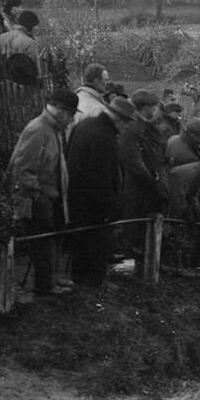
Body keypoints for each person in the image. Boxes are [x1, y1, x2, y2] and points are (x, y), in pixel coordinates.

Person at [7, 88, 79, 296]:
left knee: (53, 237)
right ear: (60, 111)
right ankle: (44, 286)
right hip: (34, 198)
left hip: (49, 196)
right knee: (42, 241)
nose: (71, 119)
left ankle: (51, 278)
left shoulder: (52, 129)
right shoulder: (38, 129)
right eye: (71, 114)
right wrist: (38, 196)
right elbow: (23, 169)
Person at [66, 95, 134, 286]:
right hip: (94, 204)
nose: (126, 127)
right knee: (96, 247)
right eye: (127, 122)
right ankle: (94, 286)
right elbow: (100, 178)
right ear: (120, 120)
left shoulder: (86, 124)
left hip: (76, 197)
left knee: (81, 247)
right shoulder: (105, 137)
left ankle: (81, 283)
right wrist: (108, 208)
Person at [118, 90, 171, 270]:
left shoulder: (142, 126)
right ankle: (136, 267)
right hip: (138, 186)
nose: (156, 110)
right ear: (146, 107)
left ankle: (143, 266)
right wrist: (153, 180)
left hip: (146, 184)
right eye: (154, 107)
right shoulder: (133, 128)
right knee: (135, 227)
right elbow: (134, 163)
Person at [0, 10, 41, 82]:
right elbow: (35, 70)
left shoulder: (2, 37)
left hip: (6, 83)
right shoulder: (30, 43)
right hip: (25, 84)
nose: (37, 29)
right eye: (35, 26)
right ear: (30, 26)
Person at [69, 63, 111, 140]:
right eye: (106, 80)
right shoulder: (98, 109)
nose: (108, 83)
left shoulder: (76, 98)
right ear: (96, 81)